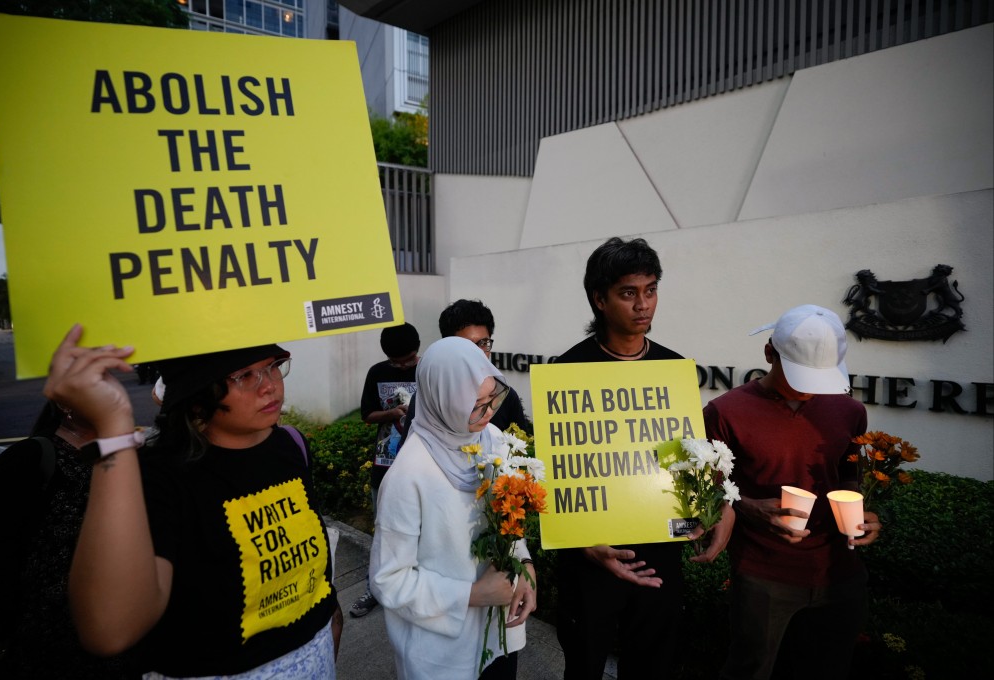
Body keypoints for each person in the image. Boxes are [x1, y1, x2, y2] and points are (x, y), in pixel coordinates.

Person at [53, 324, 341, 678]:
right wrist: (113, 429)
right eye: (243, 375)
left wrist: (329, 624)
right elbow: (109, 629)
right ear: (199, 389)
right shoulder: (159, 476)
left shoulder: (289, 446)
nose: (270, 385)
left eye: (273, 366)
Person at [554, 237, 733, 680]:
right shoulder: (566, 372)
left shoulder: (672, 369)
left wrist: (718, 507)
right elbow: (559, 472)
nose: (643, 305)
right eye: (628, 292)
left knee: (652, 665)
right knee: (584, 665)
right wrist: (580, 541)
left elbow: (685, 456)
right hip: (591, 556)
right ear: (599, 298)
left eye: (650, 290)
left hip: (659, 547)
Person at [704, 305, 881, 680]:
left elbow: (848, 475)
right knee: (750, 671)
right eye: (799, 374)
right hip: (763, 574)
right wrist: (751, 508)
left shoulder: (849, 411)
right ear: (769, 353)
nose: (810, 387)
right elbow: (709, 493)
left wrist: (859, 511)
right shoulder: (724, 412)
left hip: (840, 573)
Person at [369, 336, 537, 680]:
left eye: (494, 397)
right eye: (476, 404)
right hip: (443, 654)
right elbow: (388, 581)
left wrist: (525, 566)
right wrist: (471, 595)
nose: (489, 411)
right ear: (442, 400)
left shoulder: (491, 439)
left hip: (500, 631)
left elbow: (510, 513)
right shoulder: (409, 475)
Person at [0, 401, 134, 679]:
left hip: (118, 635)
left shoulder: (127, 458)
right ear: (65, 404)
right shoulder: (29, 458)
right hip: (42, 641)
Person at [350, 322, 421, 617]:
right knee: (382, 529)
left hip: (422, 464)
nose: (403, 366)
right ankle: (375, 588)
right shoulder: (377, 372)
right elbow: (367, 414)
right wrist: (391, 413)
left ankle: (415, 590)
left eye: (408, 359)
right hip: (385, 462)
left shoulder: (429, 368)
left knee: (421, 532)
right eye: (396, 361)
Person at [398, 299, 530, 451]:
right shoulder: (431, 399)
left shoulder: (507, 396)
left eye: (483, 343)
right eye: (466, 346)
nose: (477, 353)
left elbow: (520, 448)